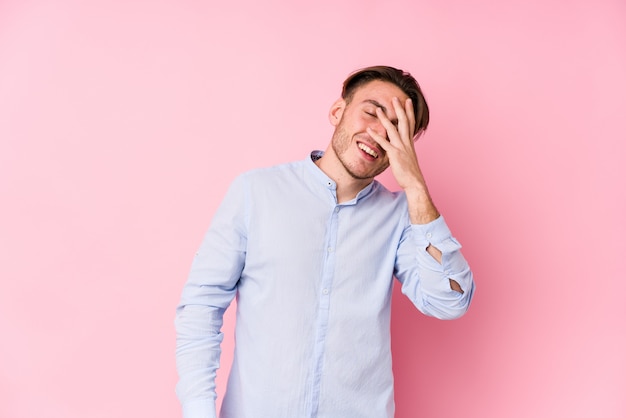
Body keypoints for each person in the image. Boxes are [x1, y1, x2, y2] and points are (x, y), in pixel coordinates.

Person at [175, 65, 475, 418]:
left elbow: (450, 301)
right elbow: (201, 305)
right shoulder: (256, 192)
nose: (380, 132)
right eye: (372, 112)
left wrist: (415, 186)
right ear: (337, 112)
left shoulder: (401, 218)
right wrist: (198, 411)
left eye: (398, 128)